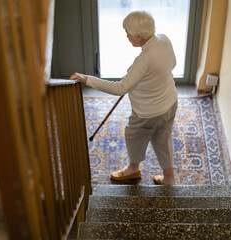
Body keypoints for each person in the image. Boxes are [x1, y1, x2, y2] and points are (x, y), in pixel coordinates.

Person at [70, 10, 178, 185]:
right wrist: (149, 81)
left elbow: (121, 88)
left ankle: (133, 169)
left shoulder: (144, 59)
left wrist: (86, 79)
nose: (126, 36)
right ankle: (169, 178)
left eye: (128, 32)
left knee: (133, 135)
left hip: (148, 113)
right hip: (170, 102)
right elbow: (172, 64)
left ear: (139, 35)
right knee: (163, 136)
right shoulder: (164, 39)